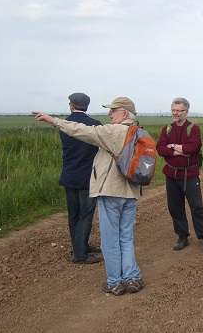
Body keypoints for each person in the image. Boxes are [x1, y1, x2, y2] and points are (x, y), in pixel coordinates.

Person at [33, 96, 145, 296]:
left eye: (114, 110)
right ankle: (132, 277)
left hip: (111, 191)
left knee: (110, 239)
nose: (110, 113)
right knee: (126, 237)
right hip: (131, 191)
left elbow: (83, 131)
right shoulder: (138, 132)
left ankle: (115, 282)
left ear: (125, 114)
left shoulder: (114, 131)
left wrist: (54, 121)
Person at [156, 97, 203, 254]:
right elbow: (160, 148)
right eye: (173, 110)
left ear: (186, 112)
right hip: (171, 174)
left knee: (197, 206)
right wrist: (179, 150)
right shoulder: (167, 129)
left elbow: (193, 147)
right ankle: (182, 236)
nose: (175, 113)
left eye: (179, 110)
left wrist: (173, 147)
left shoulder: (194, 129)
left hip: (189, 174)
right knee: (175, 207)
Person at [60, 93, 102, 264]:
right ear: (87, 106)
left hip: (69, 175)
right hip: (88, 177)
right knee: (86, 215)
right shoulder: (95, 125)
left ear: (72, 106)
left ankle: (80, 246)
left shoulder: (65, 124)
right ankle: (80, 254)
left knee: (74, 214)